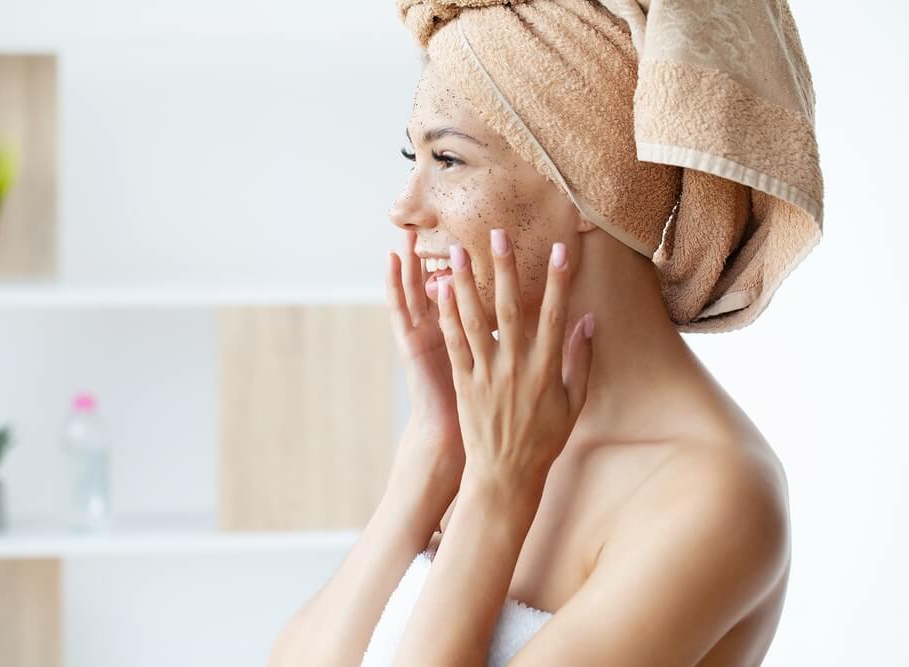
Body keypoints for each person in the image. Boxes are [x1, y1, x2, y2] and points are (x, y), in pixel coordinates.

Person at [272, 0, 821, 663]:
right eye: (410, 155)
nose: (405, 207)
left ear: (589, 184)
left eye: (447, 159)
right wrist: (431, 453)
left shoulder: (714, 494)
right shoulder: (492, 429)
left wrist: (497, 498)